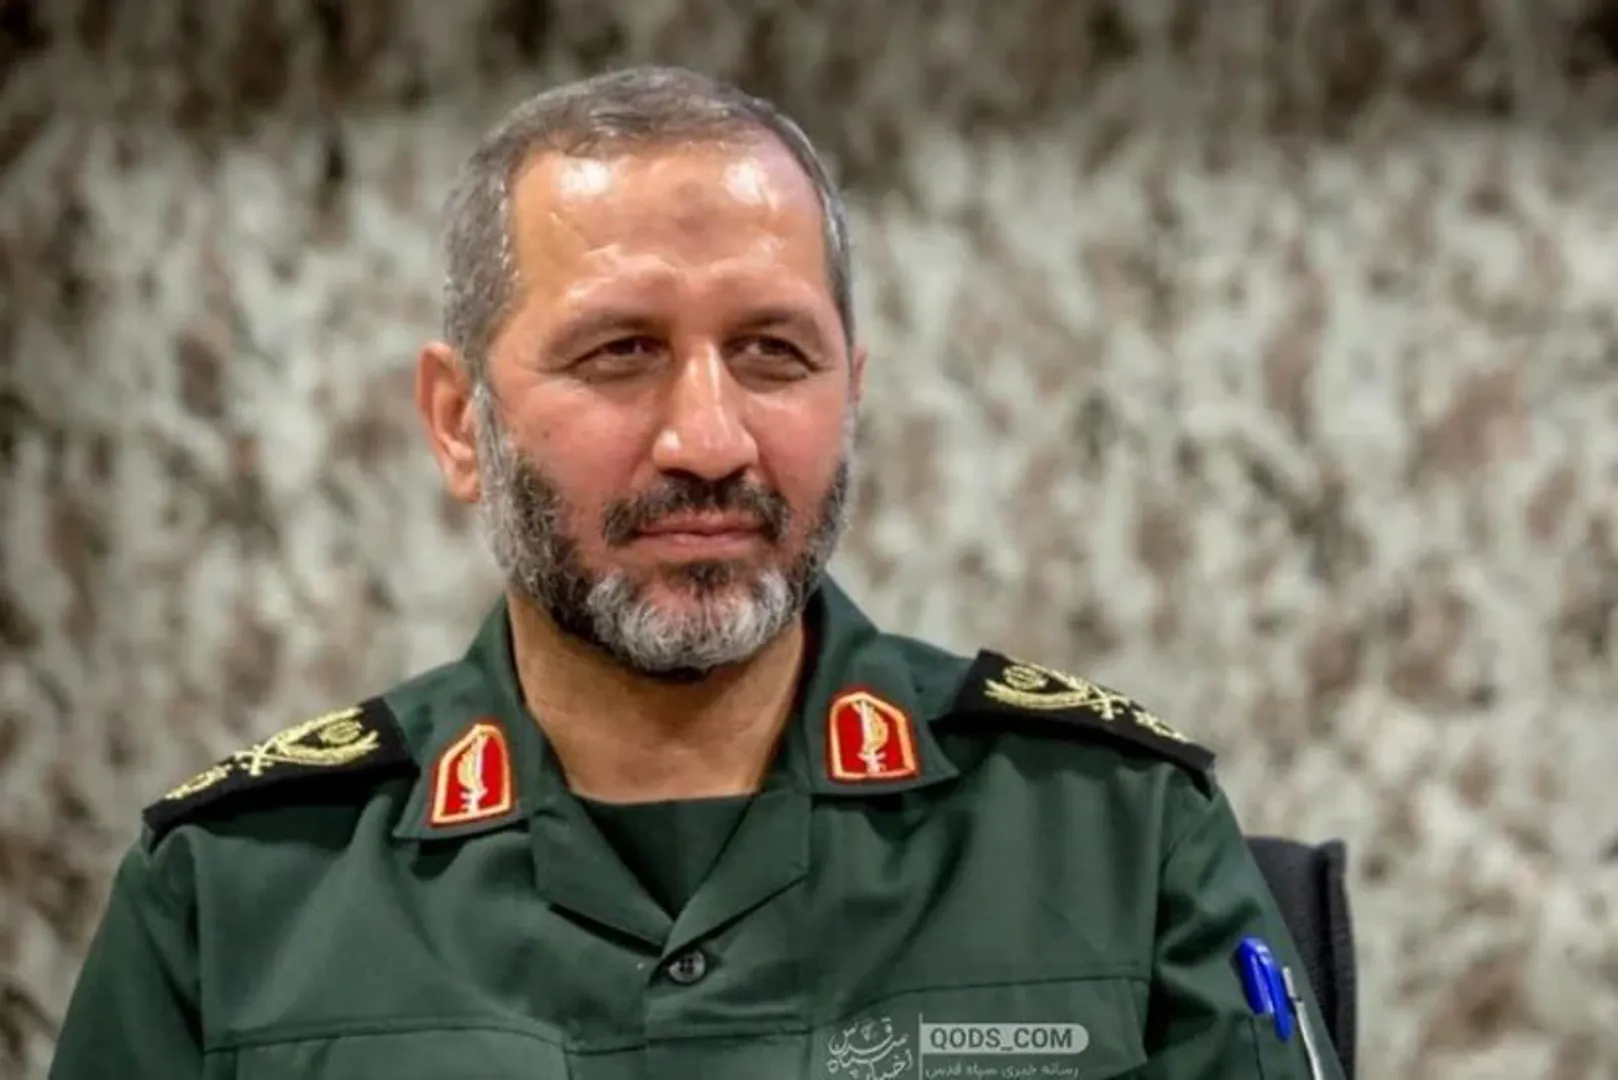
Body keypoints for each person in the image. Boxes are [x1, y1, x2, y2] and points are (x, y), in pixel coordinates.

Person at [49, 66, 1346, 1080]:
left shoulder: (1115, 832)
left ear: (851, 393)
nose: (710, 440)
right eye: (619, 353)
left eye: (774, 353)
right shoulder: (236, 892)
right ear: (458, 424)